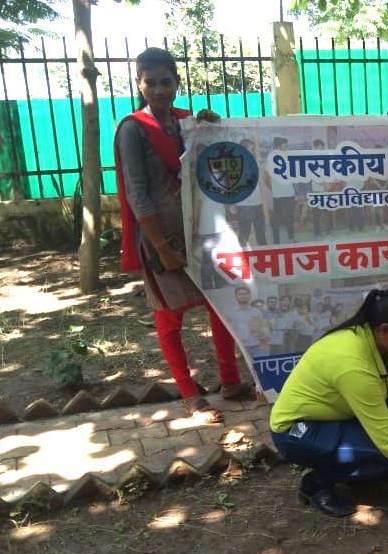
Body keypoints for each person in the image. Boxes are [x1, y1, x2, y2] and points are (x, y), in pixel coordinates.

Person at [114, 47, 253, 423]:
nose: (158, 89)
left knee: (219, 310)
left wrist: (210, 127)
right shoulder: (133, 128)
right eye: (150, 82)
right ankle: (190, 397)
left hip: (201, 233)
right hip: (162, 239)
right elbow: (137, 192)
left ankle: (230, 382)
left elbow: (208, 162)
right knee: (169, 319)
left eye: (165, 81)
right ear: (139, 83)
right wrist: (160, 246)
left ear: (176, 82)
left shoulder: (185, 122)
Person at [269, 287, 388, 517]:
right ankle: (316, 483)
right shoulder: (352, 364)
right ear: (384, 330)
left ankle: (363, 459)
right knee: (387, 457)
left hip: (339, 414)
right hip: (298, 431)